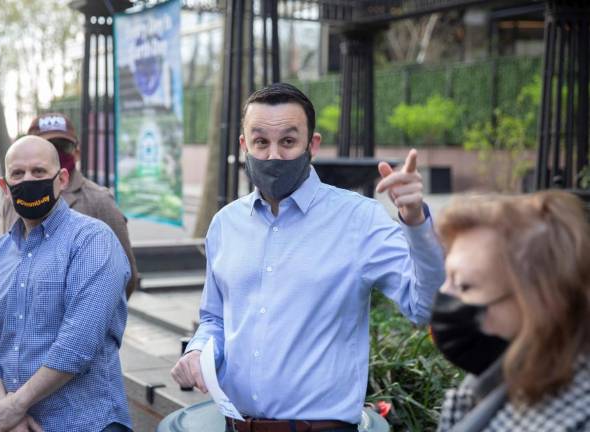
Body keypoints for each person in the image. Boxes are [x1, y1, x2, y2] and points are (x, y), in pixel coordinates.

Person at [170, 82, 445, 430]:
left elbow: (426, 307)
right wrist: (198, 351)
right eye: (260, 142)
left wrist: (416, 221)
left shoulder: (359, 220)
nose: (272, 155)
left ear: (312, 145)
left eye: (288, 141)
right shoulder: (225, 225)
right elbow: (215, 319)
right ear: (244, 145)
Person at [0, 136, 132, 432]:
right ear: (5, 188)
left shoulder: (92, 241)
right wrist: (9, 417)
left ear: (62, 179)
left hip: (85, 423)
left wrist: (15, 406)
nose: (28, 180)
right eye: (17, 174)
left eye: (39, 172)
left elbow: (78, 342)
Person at [431, 191, 590, 432]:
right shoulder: (495, 382)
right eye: (447, 278)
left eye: (464, 285)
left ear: (540, 303)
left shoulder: (565, 422)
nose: (444, 296)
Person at [1, 113, 138, 298]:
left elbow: (125, 274)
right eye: (49, 146)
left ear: (77, 151)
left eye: (63, 146)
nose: (57, 152)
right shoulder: (12, 200)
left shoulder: (99, 201)